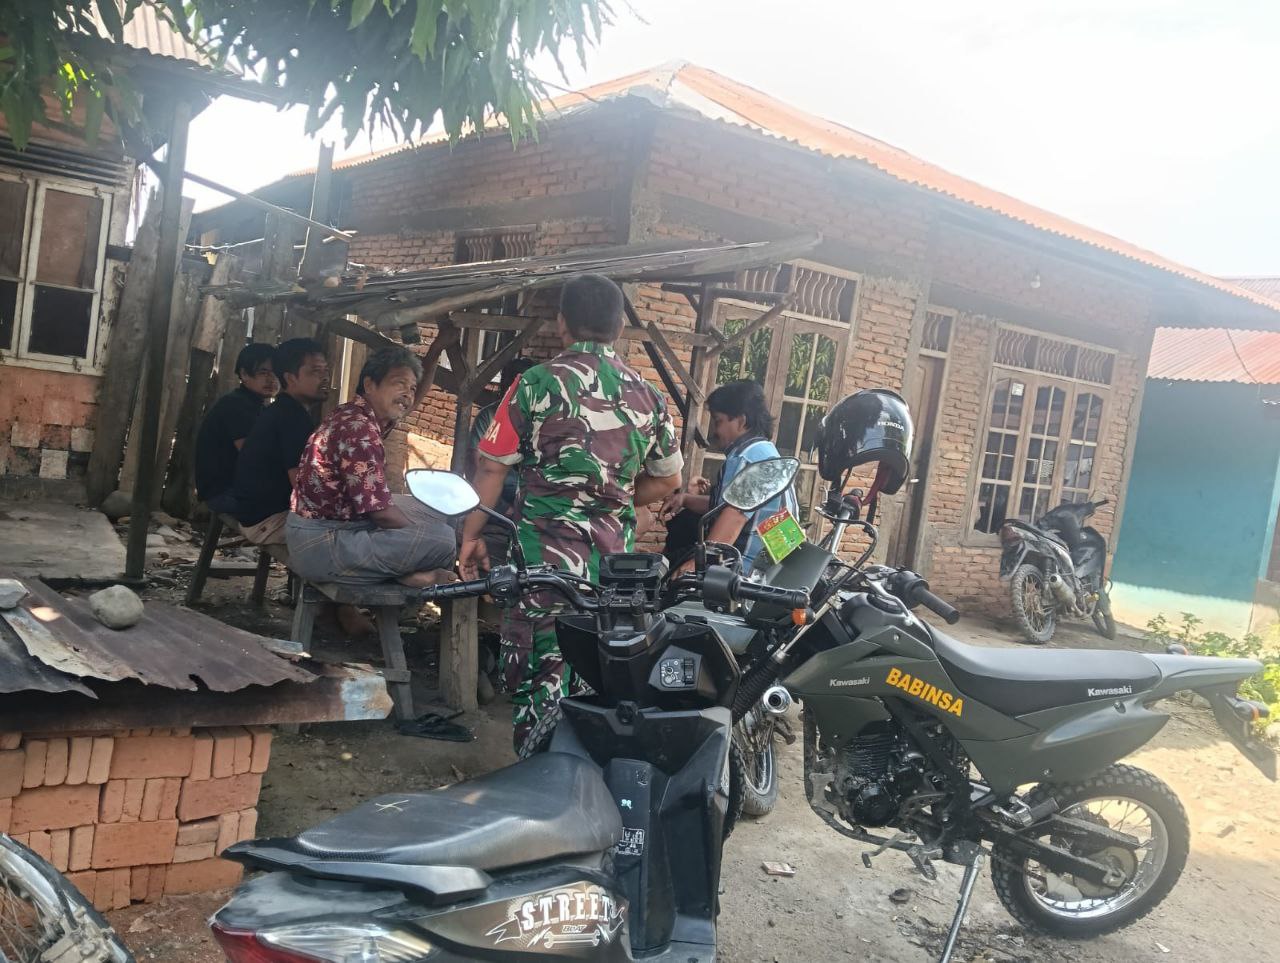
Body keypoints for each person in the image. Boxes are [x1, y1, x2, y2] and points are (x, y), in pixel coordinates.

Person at [459, 273, 684, 752]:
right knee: (599, 668)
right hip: (612, 570)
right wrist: (612, 498)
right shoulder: (649, 396)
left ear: (562, 323)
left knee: (540, 670)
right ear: (619, 327)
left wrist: (471, 534)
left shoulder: (533, 384)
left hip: (542, 561)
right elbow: (668, 480)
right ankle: (586, 771)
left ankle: (538, 769)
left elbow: (491, 467)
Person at [286, 346, 457, 587]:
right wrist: (416, 535)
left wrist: (437, 348)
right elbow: (382, 514)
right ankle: (410, 579)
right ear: (369, 385)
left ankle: (404, 572)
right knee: (443, 540)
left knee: (431, 513)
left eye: (412, 388)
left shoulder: (357, 414)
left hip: (328, 529)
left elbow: (379, 507)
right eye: (399, 383)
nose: (407, 394)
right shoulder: (359, 431)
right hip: (322, 545)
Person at [661, 380, 798, 575]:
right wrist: (685, 499)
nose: (714, 431)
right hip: (775, 570)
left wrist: (695, 565)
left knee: (666, 572)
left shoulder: (746, 458)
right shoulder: (767, 453)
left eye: (718, 421)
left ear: (741, 421)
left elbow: (734, 517)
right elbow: (729, 507)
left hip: (746, 571)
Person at [230, 338, 330, 548]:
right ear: (290, 378)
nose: (325, 378)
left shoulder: (286, 409)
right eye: (315, 371)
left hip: (256, 514)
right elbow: (304, 487)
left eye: (325, 371)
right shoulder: (292, 417)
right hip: (268, 522)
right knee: (359, 534)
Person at [194, 344, 278, 514]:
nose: (271, 379)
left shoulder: (256, 405)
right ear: (244, 374)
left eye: (275, 372)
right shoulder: (238, 405)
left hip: (234, 490)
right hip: (225, 494)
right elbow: (253, 457)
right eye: (263, 372)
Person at [467, 357, 536, 563]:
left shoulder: (540, 419)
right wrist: (501, 508)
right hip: (496, 499)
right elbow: (478, 467)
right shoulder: (489, 417)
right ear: (505, 386)